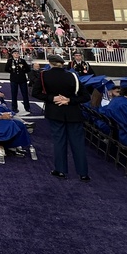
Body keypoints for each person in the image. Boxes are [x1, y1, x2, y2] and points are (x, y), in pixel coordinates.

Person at [32, 53, 90, 181]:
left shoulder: (44, 75)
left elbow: (35, 92)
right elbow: (86, 96)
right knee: (78, 144)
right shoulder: (73, 76)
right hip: (73, 112)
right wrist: (69, 100)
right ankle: (83, 173)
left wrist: (52, 98)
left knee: (59, 142)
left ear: (50, 63)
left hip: (55, 112)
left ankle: (61, 170)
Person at [3, 50, 32, 116]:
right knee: (14, 94)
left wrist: (22, 71)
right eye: (15, 53)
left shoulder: (22, 61)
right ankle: (14, 107)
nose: (16, 54)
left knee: (25, 94)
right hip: (14, 79)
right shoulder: (10, 61)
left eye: (17, 53)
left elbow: (28, 69)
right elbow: (6, 69)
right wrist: (12, 72)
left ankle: (27, 107)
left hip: (22, 79)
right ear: (12, 54)